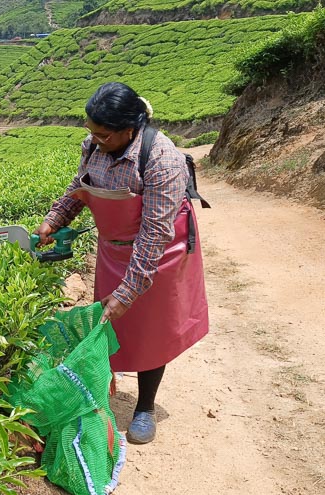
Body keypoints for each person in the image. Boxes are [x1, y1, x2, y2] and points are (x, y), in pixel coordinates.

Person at [35, 82, 209, 444]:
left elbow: (154, 233)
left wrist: (128, 291)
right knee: (110, 322)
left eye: (103, 135)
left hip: (158, 253)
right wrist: (55, 219)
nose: (95, 140)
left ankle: (145, 406)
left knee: (150, 330)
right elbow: (78, 187)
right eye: (91, 132)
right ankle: (104, 391)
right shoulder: (93, 146)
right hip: (114, 246)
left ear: (129, 130)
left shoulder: (162, 159)